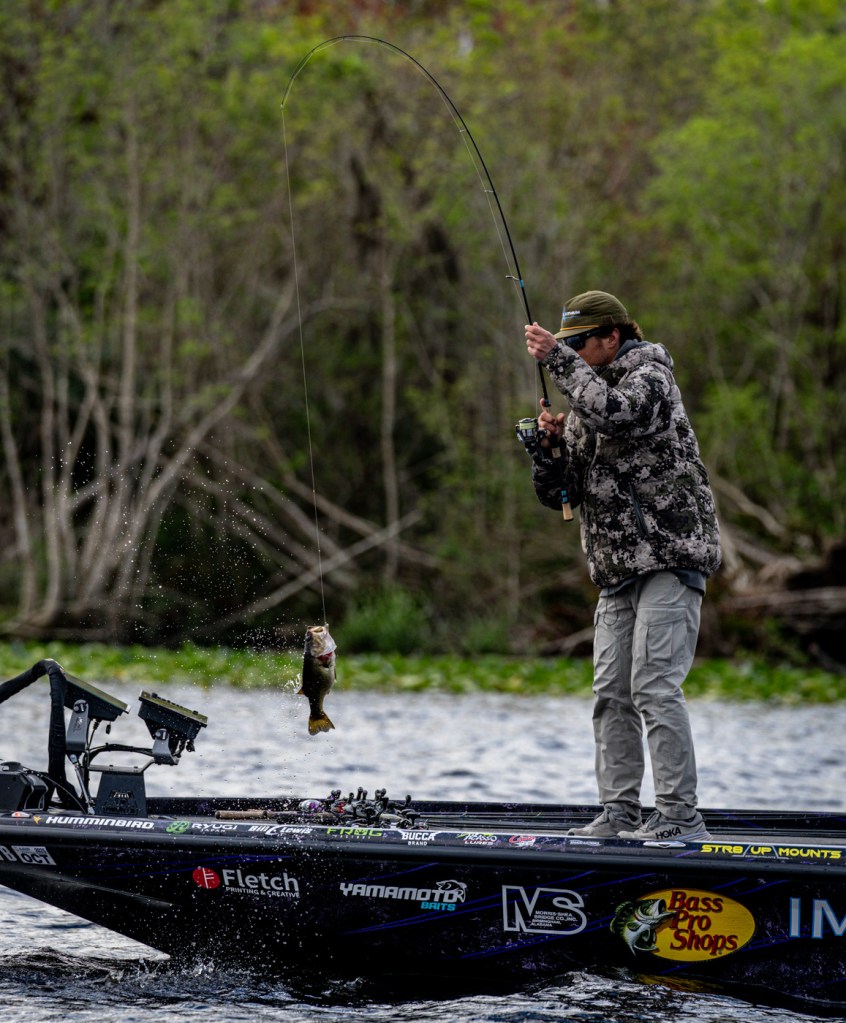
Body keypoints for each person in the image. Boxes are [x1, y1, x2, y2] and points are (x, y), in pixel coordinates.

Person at [523, 290, 721, 842]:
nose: (572, 353)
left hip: (669, 559)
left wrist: (554, 359)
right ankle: (619, 813)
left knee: (654, 687)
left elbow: (621, 414)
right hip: (616, 571)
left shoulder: (650, 377)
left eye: (579, 343)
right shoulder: (584, 404)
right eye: (566, 345)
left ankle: (680, 817)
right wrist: (547, 452)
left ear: (613, 337)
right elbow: (565, 493)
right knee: (611, 694)